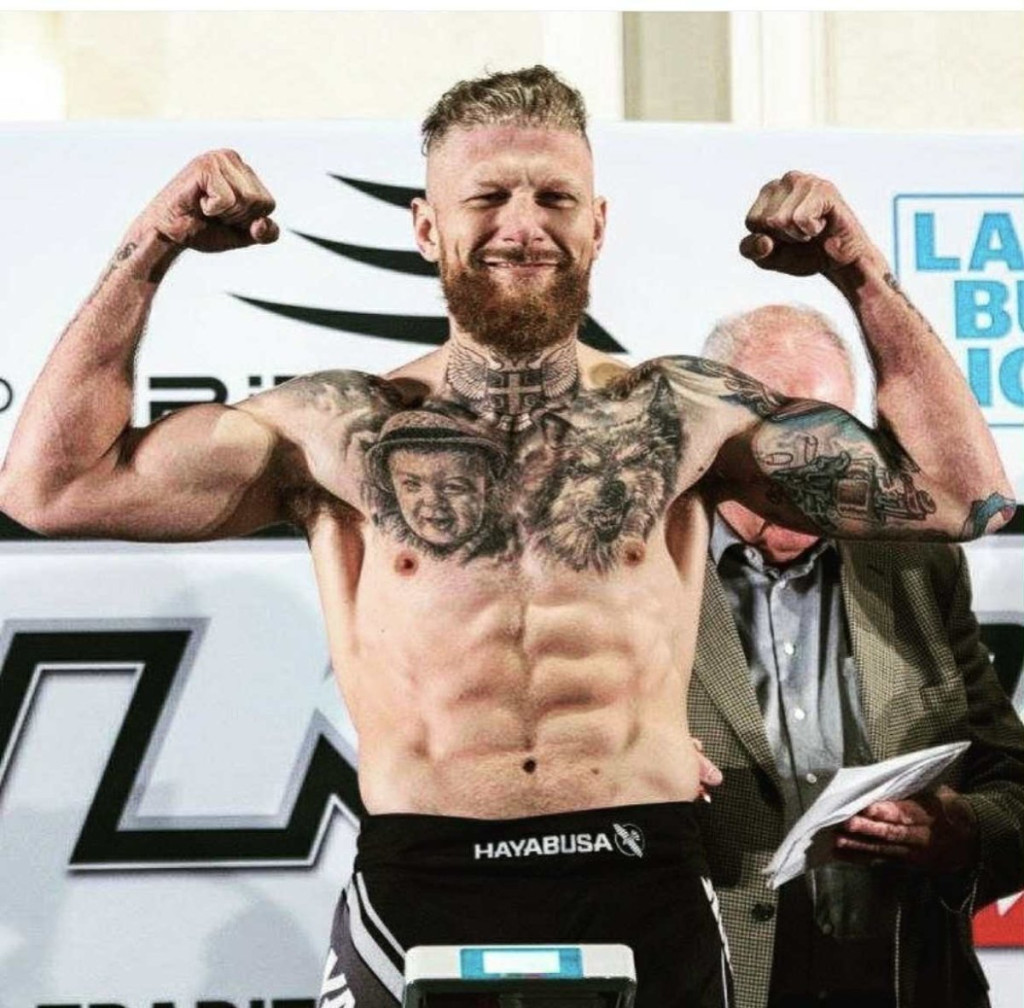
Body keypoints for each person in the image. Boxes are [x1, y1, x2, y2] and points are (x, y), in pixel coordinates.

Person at [0, 66, 1014, 1008]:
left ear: (598, 225)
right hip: (423, 879)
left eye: (554, 198)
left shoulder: (685, 418)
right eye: (487, 197)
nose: (522, 227)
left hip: (644, 874)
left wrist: (859, 272)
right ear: (425, 225)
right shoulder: (336, 431)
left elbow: (959, 495)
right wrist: (152, 246)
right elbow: (52, 487)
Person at [689, 304, 1024, 1008]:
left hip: (906, 981)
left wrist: (958, 831)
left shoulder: (917, 563)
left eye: (836, 430)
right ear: (714, 431)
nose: (814, 459)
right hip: (714, 981)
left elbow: (1011, 784)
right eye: (782, 429)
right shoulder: (642, 568)